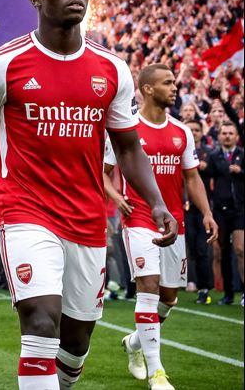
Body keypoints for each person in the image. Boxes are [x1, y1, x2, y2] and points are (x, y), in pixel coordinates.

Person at [0, 0, 175, 390]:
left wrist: (158, 202)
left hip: (87, 219)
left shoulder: (113, 69)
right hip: (26, 213)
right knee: (41, 322)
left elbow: (128, 148)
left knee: (75, 343)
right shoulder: (2, 64)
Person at [104, 64, 217, 388]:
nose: (175, 87)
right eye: (168, 82)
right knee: (149, 287)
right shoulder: (127, 129)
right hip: (138, 218)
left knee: (169, 298)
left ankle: (134, 343)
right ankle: (157, 373)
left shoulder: (181, 131)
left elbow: (191, 176)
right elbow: (103, 171)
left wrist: (206, 212)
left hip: (175, 222)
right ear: (147, 89)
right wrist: (115, 195)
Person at [200, 121, 244, 306]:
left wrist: (241, 171)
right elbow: (205, 176)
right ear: (219, 136)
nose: (227, 136)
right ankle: (228, 293)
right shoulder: (213, 155)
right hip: (220, 210)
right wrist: (201, 167)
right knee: (223, 251)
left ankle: (242, 291)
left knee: (241, 250)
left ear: (236, 136)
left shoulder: (242, 155)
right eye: (224, 133)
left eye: (230, 133)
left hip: (241, 209)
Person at [183, 119, 215, 304]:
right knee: (189, 249)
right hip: (182, 207)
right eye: (190, 129)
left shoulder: (208, 154)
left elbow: (218, 172)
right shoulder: (177, 150)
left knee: (202, 249)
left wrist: (206, 167)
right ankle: (187, 282)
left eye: (196, 130)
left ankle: (204, 288)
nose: (193, 133)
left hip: (201, 210)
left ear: (202, 133)